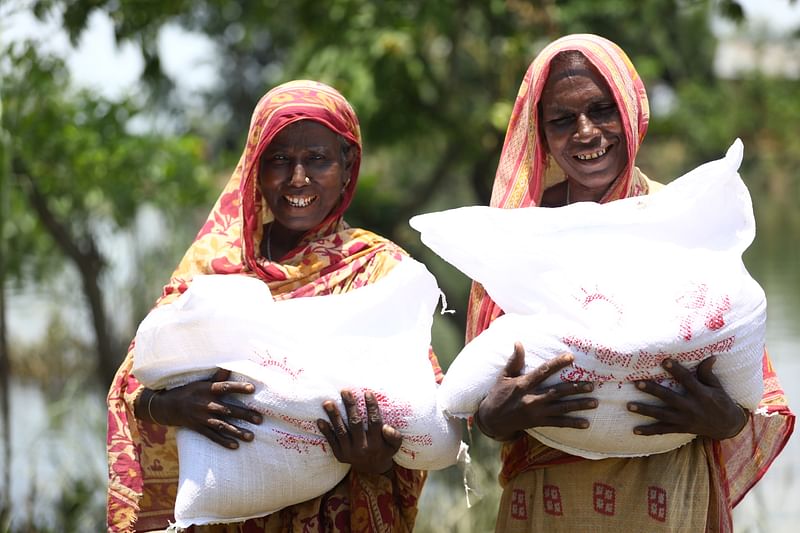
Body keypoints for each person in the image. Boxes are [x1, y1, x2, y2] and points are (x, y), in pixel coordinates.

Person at [468, 34, 794, 532]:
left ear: (632, 109)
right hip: (544, 500)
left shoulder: (685, 220)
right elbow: (479, 401)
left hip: (668, 497)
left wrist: (722, 420)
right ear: (541, 132)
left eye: (602, 109)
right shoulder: (517, 232)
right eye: (562, 119)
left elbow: (754, 400)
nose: (585, 132)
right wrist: (493, 418)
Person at [106, 80, 443, 532]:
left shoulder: (379, 271)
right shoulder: (215, 268)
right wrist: (170, 406)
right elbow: (132, 382)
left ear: (347, 166)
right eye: (279, 159)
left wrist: (377, 458)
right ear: (255, 169)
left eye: (317, 159)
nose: (297, 179)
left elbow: (424, 406)